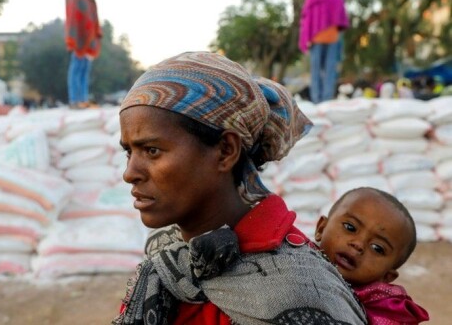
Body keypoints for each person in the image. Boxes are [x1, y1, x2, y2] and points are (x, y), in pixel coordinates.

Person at [114, 51, 367, 324]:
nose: (130, 174)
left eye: (152, 150)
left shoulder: (298, 288)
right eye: (129, 152)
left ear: (225, 151)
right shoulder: (168, 256)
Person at [315, 187, 430, 324]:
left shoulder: (387, 313)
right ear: (321, 228)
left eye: (377, 248)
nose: (358, 244)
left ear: (387, 276)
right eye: (350, 227)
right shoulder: (293, 261)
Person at [299, 0, 350, 104]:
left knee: (315, 70)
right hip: (332, 36)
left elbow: (306, 15)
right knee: (330, 69)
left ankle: (316, 99)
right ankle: (327, 99)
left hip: (316, 37)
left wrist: (307, 34)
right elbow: (341, 16)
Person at [65, 0, 102, 109]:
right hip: (79, 33)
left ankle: (84, 99)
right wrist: (75, 34)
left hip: (88, 34)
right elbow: (74, 10)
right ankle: (75, 99)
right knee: (76, 67)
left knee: (85, 68)